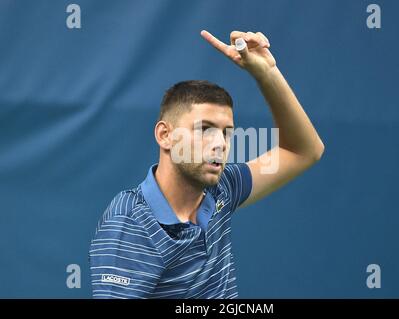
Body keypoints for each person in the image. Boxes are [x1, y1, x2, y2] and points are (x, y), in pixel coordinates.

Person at [89, 30, 325, 299]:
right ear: (165, 135)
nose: (220, 144)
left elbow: (305, 150)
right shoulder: (129, 223)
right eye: (205, 129)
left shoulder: (224, 188)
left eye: (227, 133)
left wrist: (266, 73)